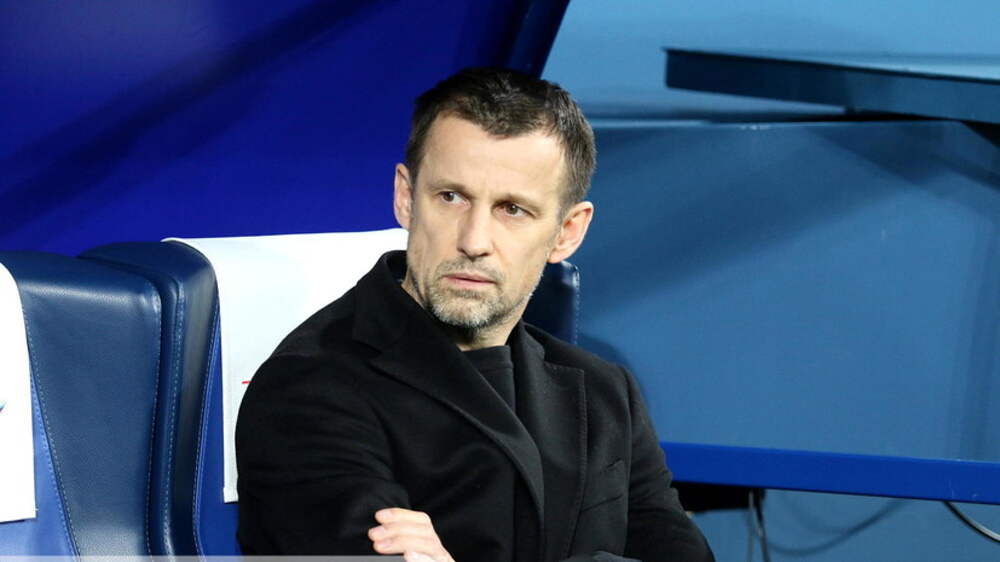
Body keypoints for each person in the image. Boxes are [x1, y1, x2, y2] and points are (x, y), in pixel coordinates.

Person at [235, 67, 713, 562]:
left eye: (512, 209)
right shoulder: (309, 388)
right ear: (406, 198)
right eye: (451, 197)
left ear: (567, 231)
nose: (474, 240)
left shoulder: (605, 394)